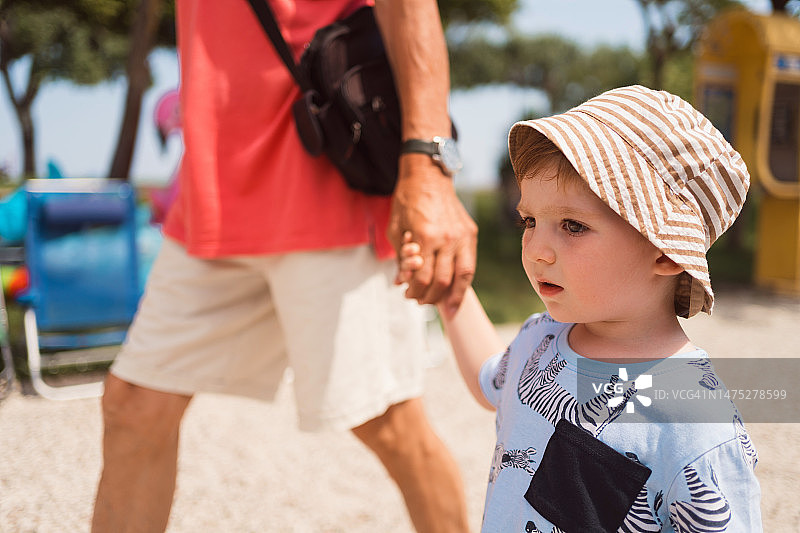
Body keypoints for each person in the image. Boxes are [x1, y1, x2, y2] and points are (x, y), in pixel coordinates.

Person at [91, 0, 476, 531]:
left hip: (325, 187)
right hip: (211, 195)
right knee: (135, 403)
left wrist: (428, 166)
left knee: (388, 424)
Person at [398, 85, 763, 532]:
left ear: (667, 252)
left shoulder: (695, 421)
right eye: (530, 221)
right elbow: (491, 379)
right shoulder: (541, 336)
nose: (536, 250)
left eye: (572, 225)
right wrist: (448, 290)